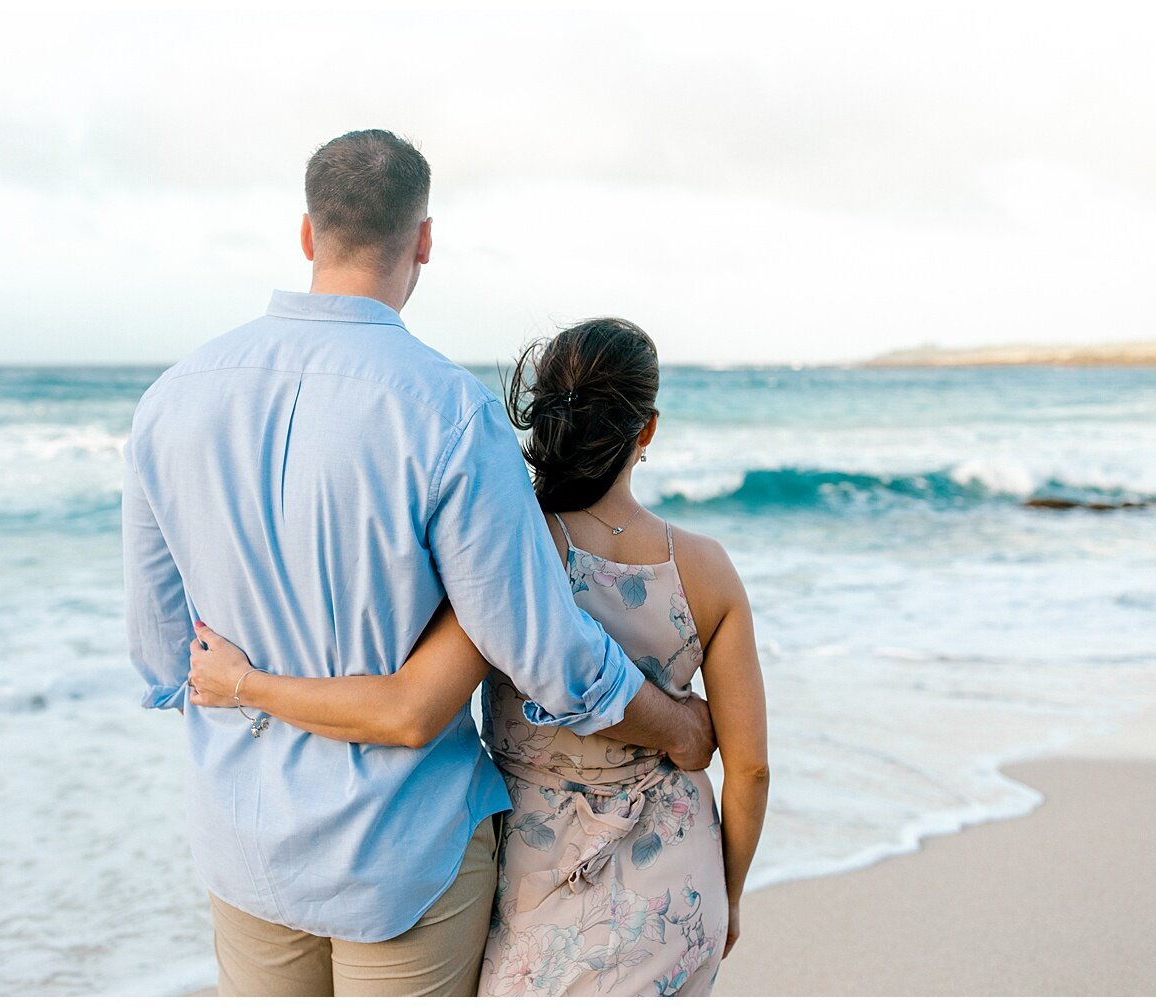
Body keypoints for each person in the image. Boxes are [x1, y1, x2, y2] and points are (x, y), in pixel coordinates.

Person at [122, 129, 716, 997]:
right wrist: (677, 724)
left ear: (305, 232)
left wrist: (252, 681)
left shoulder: (169, 400)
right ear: (424, 241)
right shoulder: (446, 412)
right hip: (400, 851)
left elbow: (160, 650)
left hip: (243, 843)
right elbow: (542, 648)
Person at [189, 318, 770, 995]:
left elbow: (412, 700)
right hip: (678, 877)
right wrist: (728, 893)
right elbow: (750, 767)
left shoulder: (510, 552)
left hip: (537, 873)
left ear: (544, 418)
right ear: (646, 429)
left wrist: (246, 683)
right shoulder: (706, 569)